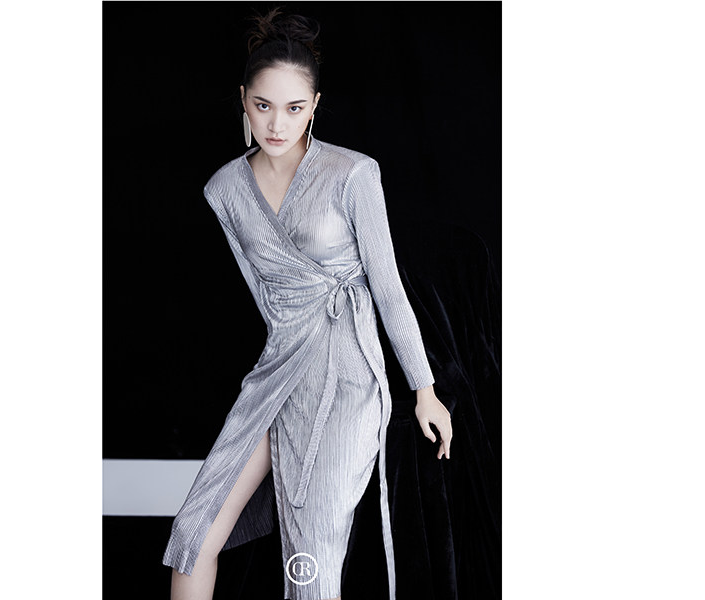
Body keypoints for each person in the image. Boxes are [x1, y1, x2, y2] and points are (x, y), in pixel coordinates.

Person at [162, 8, 453, 600]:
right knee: (193, 532)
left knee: (312, 554)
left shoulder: (353, 174)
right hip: (280, 369)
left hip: (348, 376)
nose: (277, 123)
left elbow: (388, 288)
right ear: (243, 101)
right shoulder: (225, 190)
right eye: (263, 105)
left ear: (315, 106)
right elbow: (266, 299)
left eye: (295, 108)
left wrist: (424, 390)